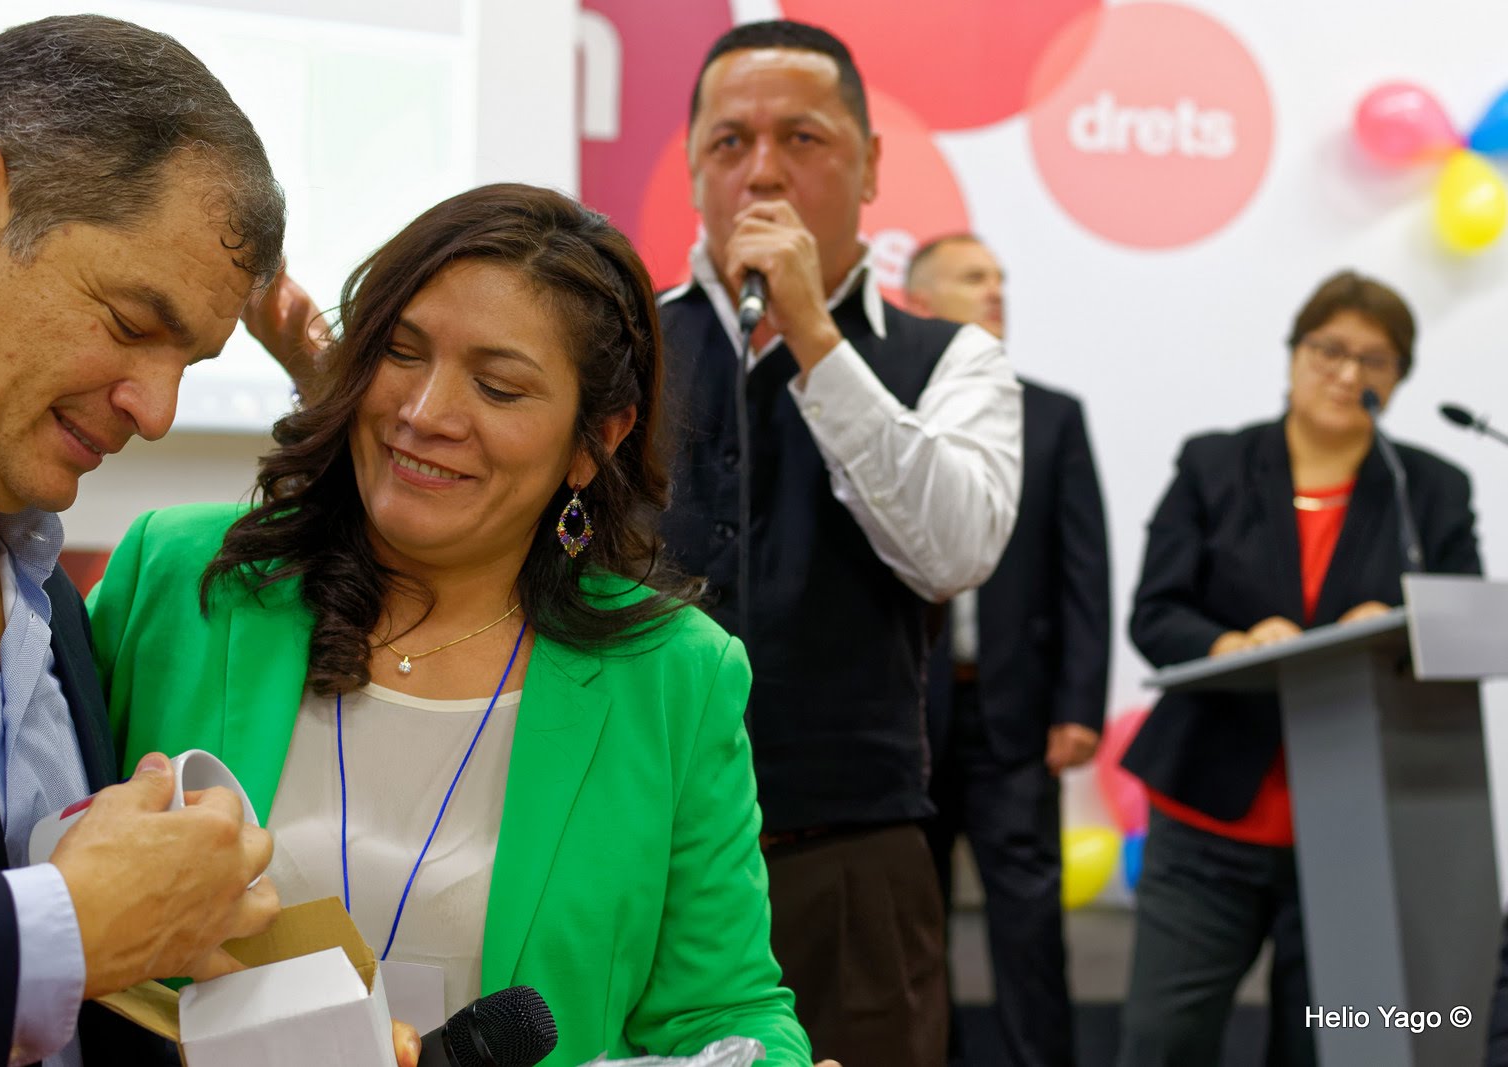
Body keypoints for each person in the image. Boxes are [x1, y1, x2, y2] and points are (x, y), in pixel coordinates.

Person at [87, 183, 828, 1067]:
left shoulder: (675, 674)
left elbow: (728, 1011)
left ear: (596, 440)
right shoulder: (179, 579)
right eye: (400, 353)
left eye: (498, 387)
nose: (425, 413)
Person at [0, 16, 288, 1067]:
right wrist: (63, 924)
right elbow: (61, 937)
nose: (156, 410)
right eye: (129, 322)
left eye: (190, 364)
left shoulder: (53, 598)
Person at [655, 21, 1022, 1066]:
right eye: (731, 142)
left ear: (870, 166)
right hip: (639, 843)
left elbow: (953, 551)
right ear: (695, 169)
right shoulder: (620, 342)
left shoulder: (952, 358)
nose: (764, 171)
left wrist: (815, 336)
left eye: (803, 138)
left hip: (851, 859)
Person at [1117, 270, 1483, 1067]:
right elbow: (1156, 613)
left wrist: (1396, 630)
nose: (1348, 374)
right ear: (1294, 353)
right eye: (1329, 350)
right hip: (1211, 813)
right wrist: (1230, 643)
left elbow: (1464, 629)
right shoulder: (1216, 464)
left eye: (1374, 359)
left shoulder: (1429, 491)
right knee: (1163, 1039)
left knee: (1331, 1045)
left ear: (1399, 377)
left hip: (1358, 828)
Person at [903, 234, 1110, 1067]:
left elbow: (1084, 571)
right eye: (973, 277)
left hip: (1017, 716)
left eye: (1000, 277)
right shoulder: (879, 416)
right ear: (920, 303)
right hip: (904, 719)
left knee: (1029, 931)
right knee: (913, 931)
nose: (995, 290)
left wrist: (1079, 705)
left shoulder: (1051, 415)